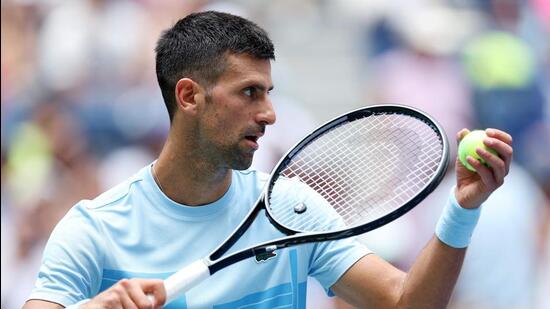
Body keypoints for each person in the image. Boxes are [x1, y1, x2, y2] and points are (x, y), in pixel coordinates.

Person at [23, 11, 513, 309]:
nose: (270, 113)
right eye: (250, 93)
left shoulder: (292, 211)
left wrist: (462, 208)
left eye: (270, 92)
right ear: (190, 96)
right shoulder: (94, 229)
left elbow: (407, 303)